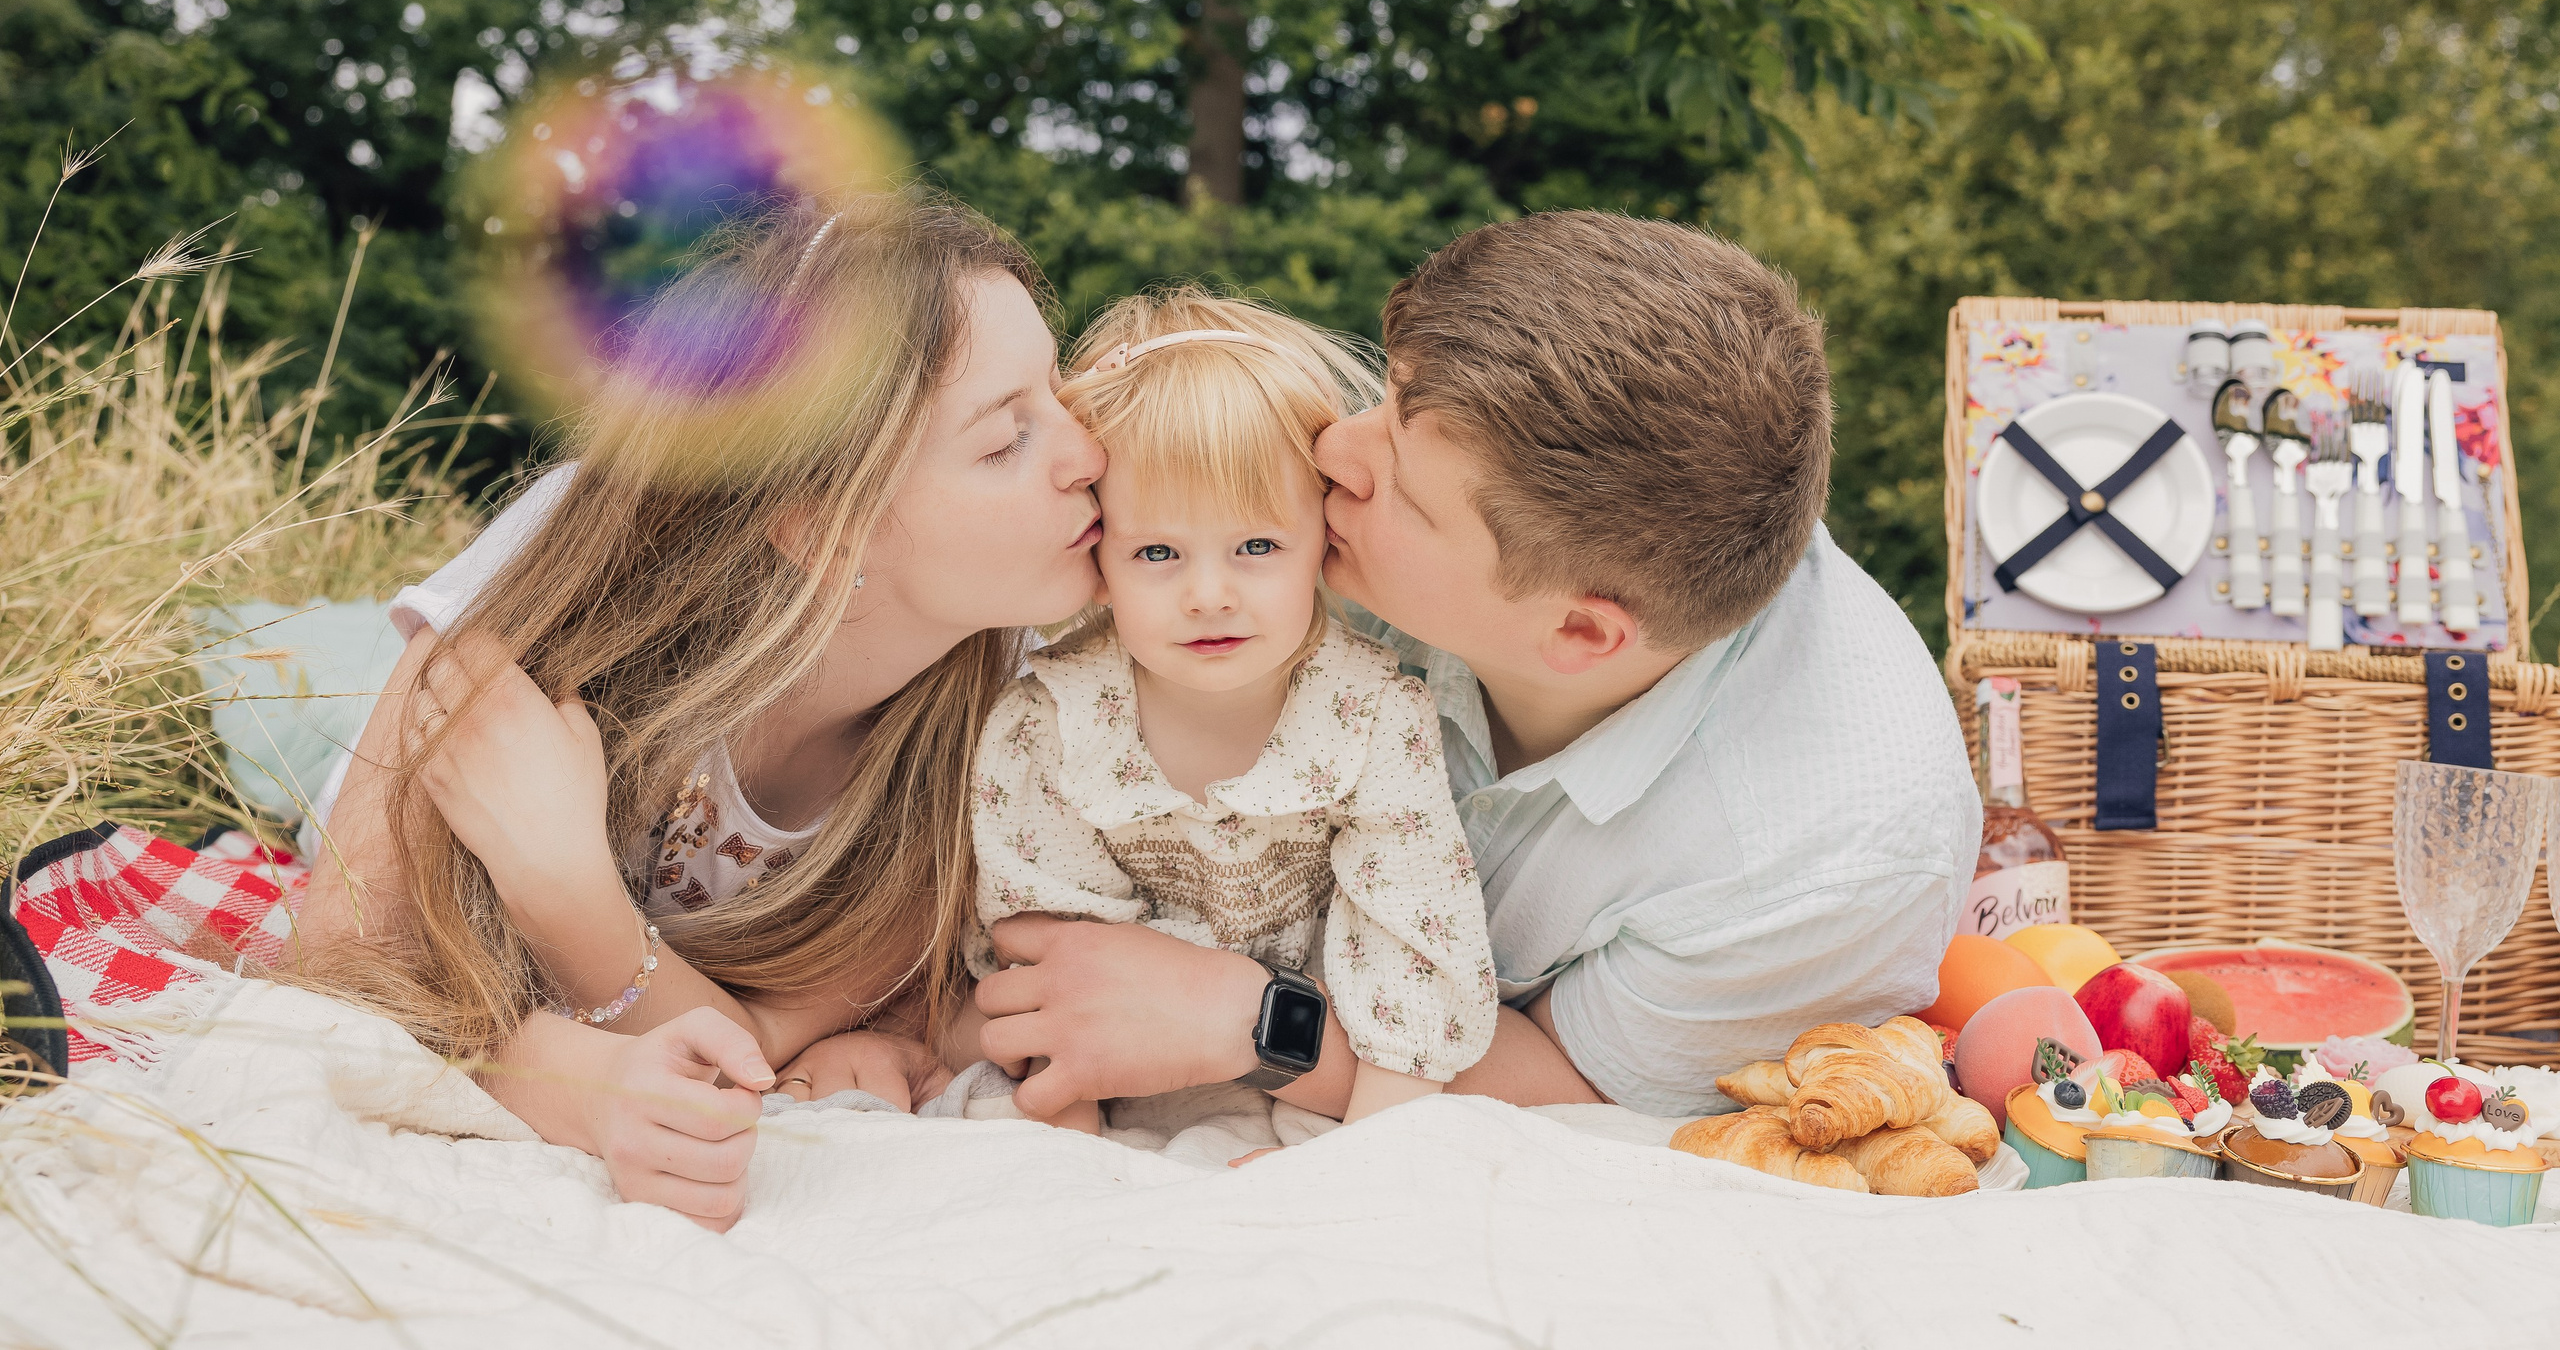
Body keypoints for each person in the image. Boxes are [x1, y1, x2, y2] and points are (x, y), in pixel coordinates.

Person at [970, 212, 1980, 1120]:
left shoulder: (1824, 867)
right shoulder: (1443, 484)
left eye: (1403, 492)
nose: (1333, 452)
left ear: (1579, 634)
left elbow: (1574, 1091)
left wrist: (1249, 1018)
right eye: (1386, 398)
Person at [293, 192, 1111, 1230]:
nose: (1089, 454)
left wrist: (567, 892)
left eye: (1059, 391)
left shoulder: (997, 708)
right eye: (1007, 439)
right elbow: (340, 967)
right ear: (817, 524)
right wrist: (577, 1081)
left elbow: (747, 1050)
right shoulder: (563, 593)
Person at [956, 290, 1496, 1131]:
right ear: (1099, 552)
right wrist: (1086, 1165)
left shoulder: (1369, 718)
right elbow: (1048, 966)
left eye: (1257, 545)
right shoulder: (1052, 722)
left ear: (1322, 535)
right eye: (1157, 551)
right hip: (1089, 1089)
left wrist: (1363, 1167)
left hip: (1324, 1084)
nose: (1209, 594)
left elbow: (1415, 959)